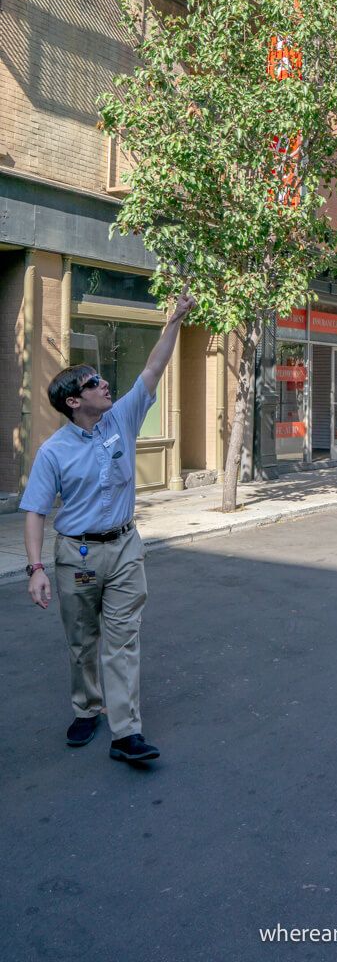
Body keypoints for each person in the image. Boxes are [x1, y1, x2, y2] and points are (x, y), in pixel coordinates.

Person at [21, 291, 196, 764]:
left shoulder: (122, 417)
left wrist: (175, 319)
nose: (105, 385)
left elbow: (154, 369)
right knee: (82, 643)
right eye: (94, 382)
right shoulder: (53, 452)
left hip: (124, 549)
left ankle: (125, 733)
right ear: (75, 401)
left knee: (123, 640)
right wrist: (35, 567)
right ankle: (87, 707)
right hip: (76, 554)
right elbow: (35, 510)